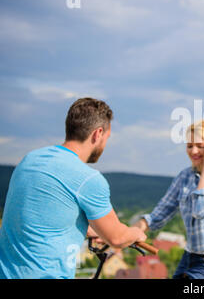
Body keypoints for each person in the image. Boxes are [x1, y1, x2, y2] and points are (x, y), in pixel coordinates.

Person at [0, 98, 146, 279]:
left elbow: (40, 217)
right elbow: (117, 238)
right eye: (107, 138)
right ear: (97, 134)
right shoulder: (89, 178)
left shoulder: (30, 160)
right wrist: (136, 232)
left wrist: (88, 229)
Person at [133, 120, 204, 279]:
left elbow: (201, 210)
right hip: (189, 256)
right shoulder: (185, 176)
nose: (193, 151)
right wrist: (132, 230)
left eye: (200, 145)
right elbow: (161, 212)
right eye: (189, 146)